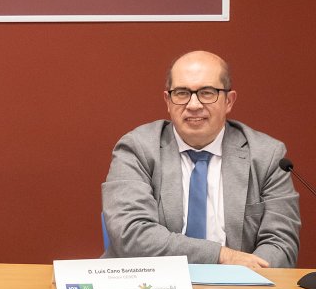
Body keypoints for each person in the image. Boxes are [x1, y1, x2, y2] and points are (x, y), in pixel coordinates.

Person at [102, 51, 300, 268]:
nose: (193, 104)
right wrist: (222, 255)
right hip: (150, 287)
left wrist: (242, 279)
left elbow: (281, 244)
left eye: (207, 93)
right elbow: (131, 235)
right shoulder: (137, 148)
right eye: (181, 93)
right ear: (168, 101)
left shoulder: (267, 155)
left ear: (229, 101)